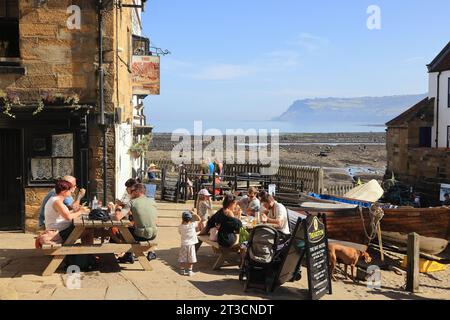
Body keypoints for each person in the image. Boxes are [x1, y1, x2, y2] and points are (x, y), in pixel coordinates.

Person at [114, 183, 158, 263]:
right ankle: (129, 255)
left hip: (141, 235)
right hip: (153, 235)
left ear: (137, 191)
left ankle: (128, 255)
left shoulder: (132, 202)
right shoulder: (152, 202)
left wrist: (118, 207)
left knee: (122, 231)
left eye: (131, 191)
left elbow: (117, 217)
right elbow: (155, 220)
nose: (130, 193)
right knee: (131, 229)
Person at [178, 211, 201, 276]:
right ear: (190, 219)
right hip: (191, 245)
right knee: (191, 258)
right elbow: (199, 219)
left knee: (182, 258)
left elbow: (180, 232)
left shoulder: (180, 226)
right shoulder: (192, 225)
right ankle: (190, 271)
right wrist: (195, 214)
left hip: (183, 244)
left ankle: (182, 270)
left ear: (182, 219)